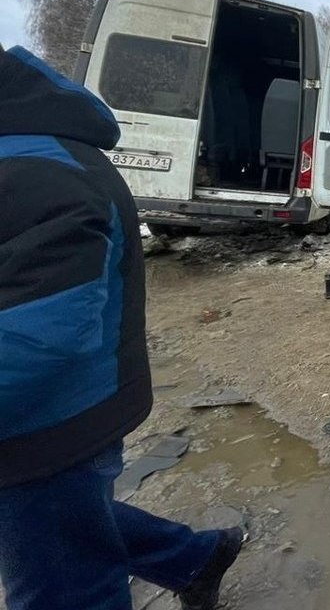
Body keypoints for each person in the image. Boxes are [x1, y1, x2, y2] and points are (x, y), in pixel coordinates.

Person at [0, 44, 243, 610]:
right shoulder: (29, 158)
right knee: (73, 520)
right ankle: (194, 557)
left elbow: (41, 337)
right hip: (53, 420)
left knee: (60, 560)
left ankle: (195, 557)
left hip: (51, 422)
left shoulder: (40, 172)